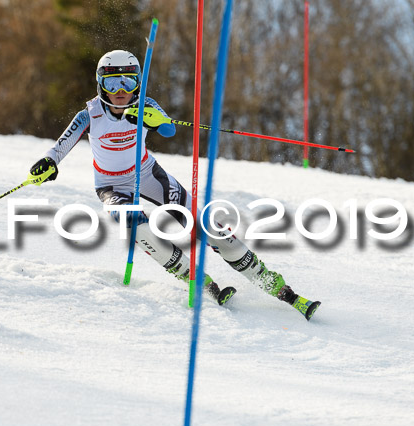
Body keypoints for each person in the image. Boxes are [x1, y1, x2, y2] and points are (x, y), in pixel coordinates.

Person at [29, 50, 318, 317]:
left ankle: (281, 289)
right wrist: (48, 163)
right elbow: (60, 146)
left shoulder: (145, 104)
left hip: (147, 173)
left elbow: (167, 129)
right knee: (136, 225)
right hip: (111, 187)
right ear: (100, 84)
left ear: (138, 82)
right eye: (112, 82)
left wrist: (153, 119)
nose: (120, 91)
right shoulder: (89, 114)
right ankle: (196, 279)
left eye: (128, 82)